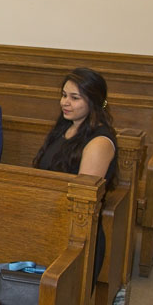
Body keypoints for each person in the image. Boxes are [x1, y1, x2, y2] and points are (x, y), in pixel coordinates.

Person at [33, 68, 118, 287]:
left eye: (74, 98)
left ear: (94, 101)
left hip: (76, 233)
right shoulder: (66, 128)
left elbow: (82, 200)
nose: (65, 102)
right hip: (49, 217)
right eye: (63, 95)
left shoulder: (99, 142)